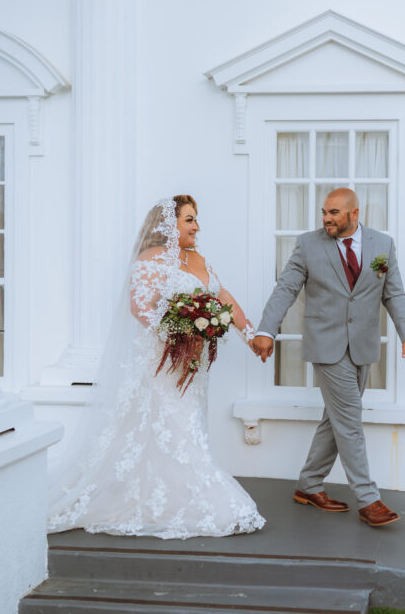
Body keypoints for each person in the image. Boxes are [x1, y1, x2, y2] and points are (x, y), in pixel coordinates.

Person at [48, 196, 266, 539]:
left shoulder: (198, 259)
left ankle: (168, 496)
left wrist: (252, 335)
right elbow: (140, 307)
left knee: (188, 425)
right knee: (176, 427)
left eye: (196, 220)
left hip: (194, 367)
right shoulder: (151, 259)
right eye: (190, 219)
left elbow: (223, 298)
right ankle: (202, 499)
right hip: (163, 363)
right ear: (169, 224)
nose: (197, 227)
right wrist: (179, 336)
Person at [252, 188, 405, 527]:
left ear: (354, 214)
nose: (327, 218)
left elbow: (394, 292)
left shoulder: (382, 245)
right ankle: (368, 499)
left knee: (336, 418)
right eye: (324, 212)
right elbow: (286, 288)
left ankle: (308, 485)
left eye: (334, 213)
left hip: (363, 346)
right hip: (327, 347)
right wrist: (266, 330)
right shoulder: (308, 244)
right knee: (349, 420)